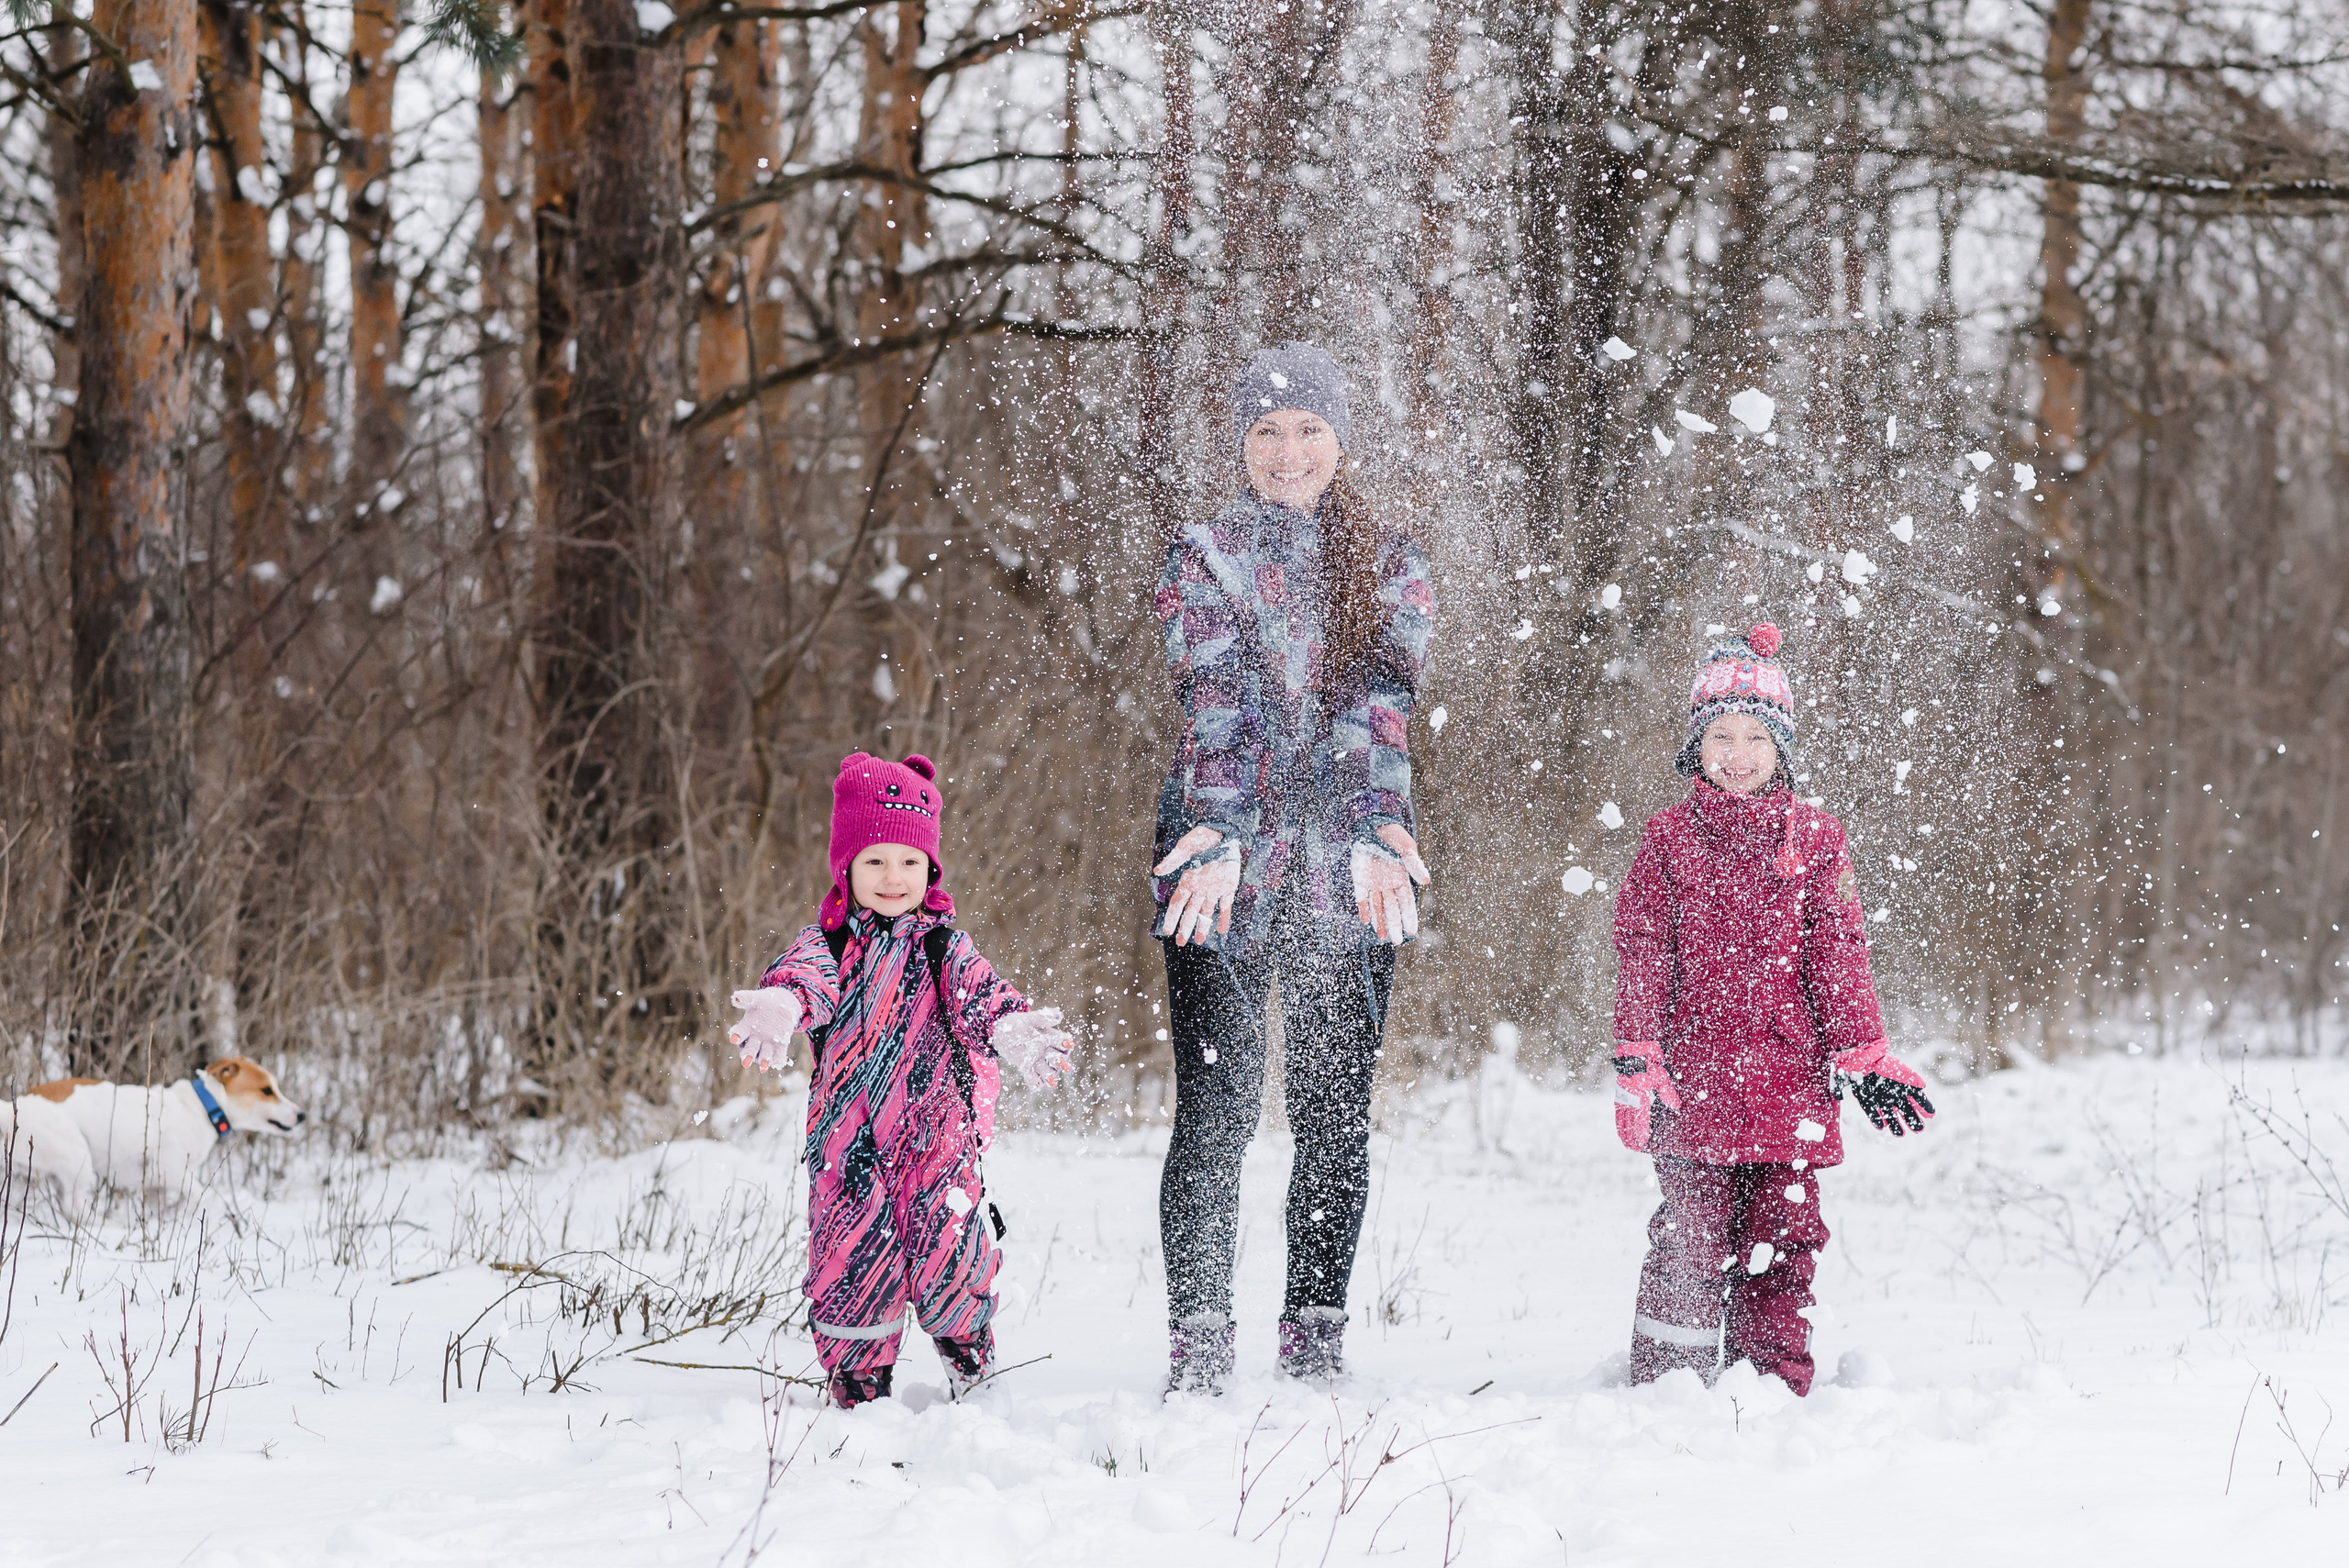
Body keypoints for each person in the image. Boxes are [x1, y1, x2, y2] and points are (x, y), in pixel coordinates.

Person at [1149, 341, 1437, 1394]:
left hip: (1346, 866)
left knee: (1330, 1109)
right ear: (1239, 440)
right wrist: (1220, 827)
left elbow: (1377, 700)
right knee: (1215, 1110)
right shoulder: (1201, 551)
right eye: (1267, 430)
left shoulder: (1391, 557)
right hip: (1217, 859)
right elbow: (1215, 697)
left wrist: (1374, 821)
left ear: (1340, 440)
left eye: (1308, 428)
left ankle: (1313, 1335)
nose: (1288, 450)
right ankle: (1199, 1335)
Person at [1609, 625, 1935, 1395]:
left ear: (1781, 746)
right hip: (1693, 1083)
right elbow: (1642, 948)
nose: (1738, 752)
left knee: (1782, 1240)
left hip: (1791, 1083)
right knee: (1689, 1236)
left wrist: (1861, 1050)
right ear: (1696, 744)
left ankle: (1768, 1383)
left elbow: (1839, 950)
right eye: (1720, 733)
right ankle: (1669, 1382)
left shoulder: (1818, 841)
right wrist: (1637, 1052)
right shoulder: (1665, 841)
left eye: (1757, 735)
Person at [730, 751, 1077, 1408]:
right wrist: (780, 1006)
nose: (894, 877)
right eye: (876, 861)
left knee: (953, 1252)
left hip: (936, 1144)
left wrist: (1012, 1027)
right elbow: (801, 979)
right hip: (850, 1150)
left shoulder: (943, 948)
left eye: (910, 862)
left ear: (930, 870)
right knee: (850, 1262)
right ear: (847, 867)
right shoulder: (828, 946)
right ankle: (859, 1383)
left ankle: (968, 1355)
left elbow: (981, 994)